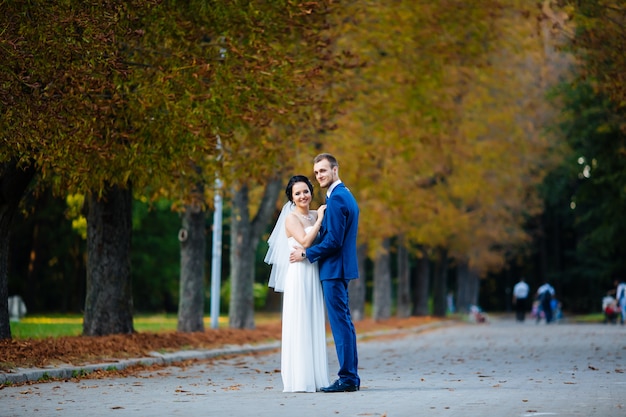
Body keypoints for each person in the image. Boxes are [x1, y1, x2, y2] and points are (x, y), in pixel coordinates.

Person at [289, 153, 360, 393]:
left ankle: (348, 378)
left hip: (334, 269)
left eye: (323, 171)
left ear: (335, 170)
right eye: (316, 172)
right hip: (339, 268)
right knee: (344, 323)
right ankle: (350, 376)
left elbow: (334, 241)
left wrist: (306, 254)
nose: (319, 175)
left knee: (341, 324)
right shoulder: (343, 195)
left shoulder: (338, 199)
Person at [264, 175, 330, 393]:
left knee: (313, 320)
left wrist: (318, 216)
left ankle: (317, 377)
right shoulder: (291, 219)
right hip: (299, 275)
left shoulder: (314, 213)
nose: (303, 196)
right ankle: (300, 379)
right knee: (300, 321)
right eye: (298, 193)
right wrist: (320, 218)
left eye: (305, 191)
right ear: (292, 198)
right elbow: (304, 241)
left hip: (314, 272)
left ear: (311, 192)